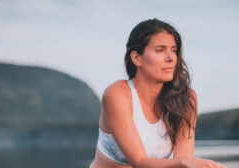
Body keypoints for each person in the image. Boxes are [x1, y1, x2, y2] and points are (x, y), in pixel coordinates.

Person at [89, 18, 226, 168]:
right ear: (136, 58)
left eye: (174, 50)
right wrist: (185, 162)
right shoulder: (117, 95)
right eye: (160, 50)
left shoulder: (186, 99)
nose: (171, 58)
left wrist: (189, 163)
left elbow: (183, 162)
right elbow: (139, 162)